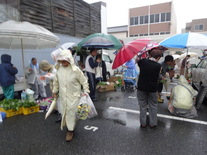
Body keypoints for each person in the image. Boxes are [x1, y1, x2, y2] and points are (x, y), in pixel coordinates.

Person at [52, 49, 89, 142]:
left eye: (65, 61)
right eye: (61, 61)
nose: (63, 63)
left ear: (69, 60)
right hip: (63, 97)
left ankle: (70, 131)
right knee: (65, 112)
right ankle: (70, 126)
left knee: (71, 113)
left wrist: (86, 91)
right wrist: (54, 91)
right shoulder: (59, 70)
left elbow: (84, 81)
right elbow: (56, 82)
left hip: (74, 97)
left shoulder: (76, 70)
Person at [137, 49, 162, 128]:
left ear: (150, 55)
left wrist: (143, 54)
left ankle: (143, 123)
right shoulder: (158, 66)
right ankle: (152, 123)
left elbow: (138, 60)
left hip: (141, 88)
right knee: (153, 106)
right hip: (152, 89)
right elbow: (158, 76)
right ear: (158, 57)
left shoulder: (143, 62)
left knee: (142, 106)